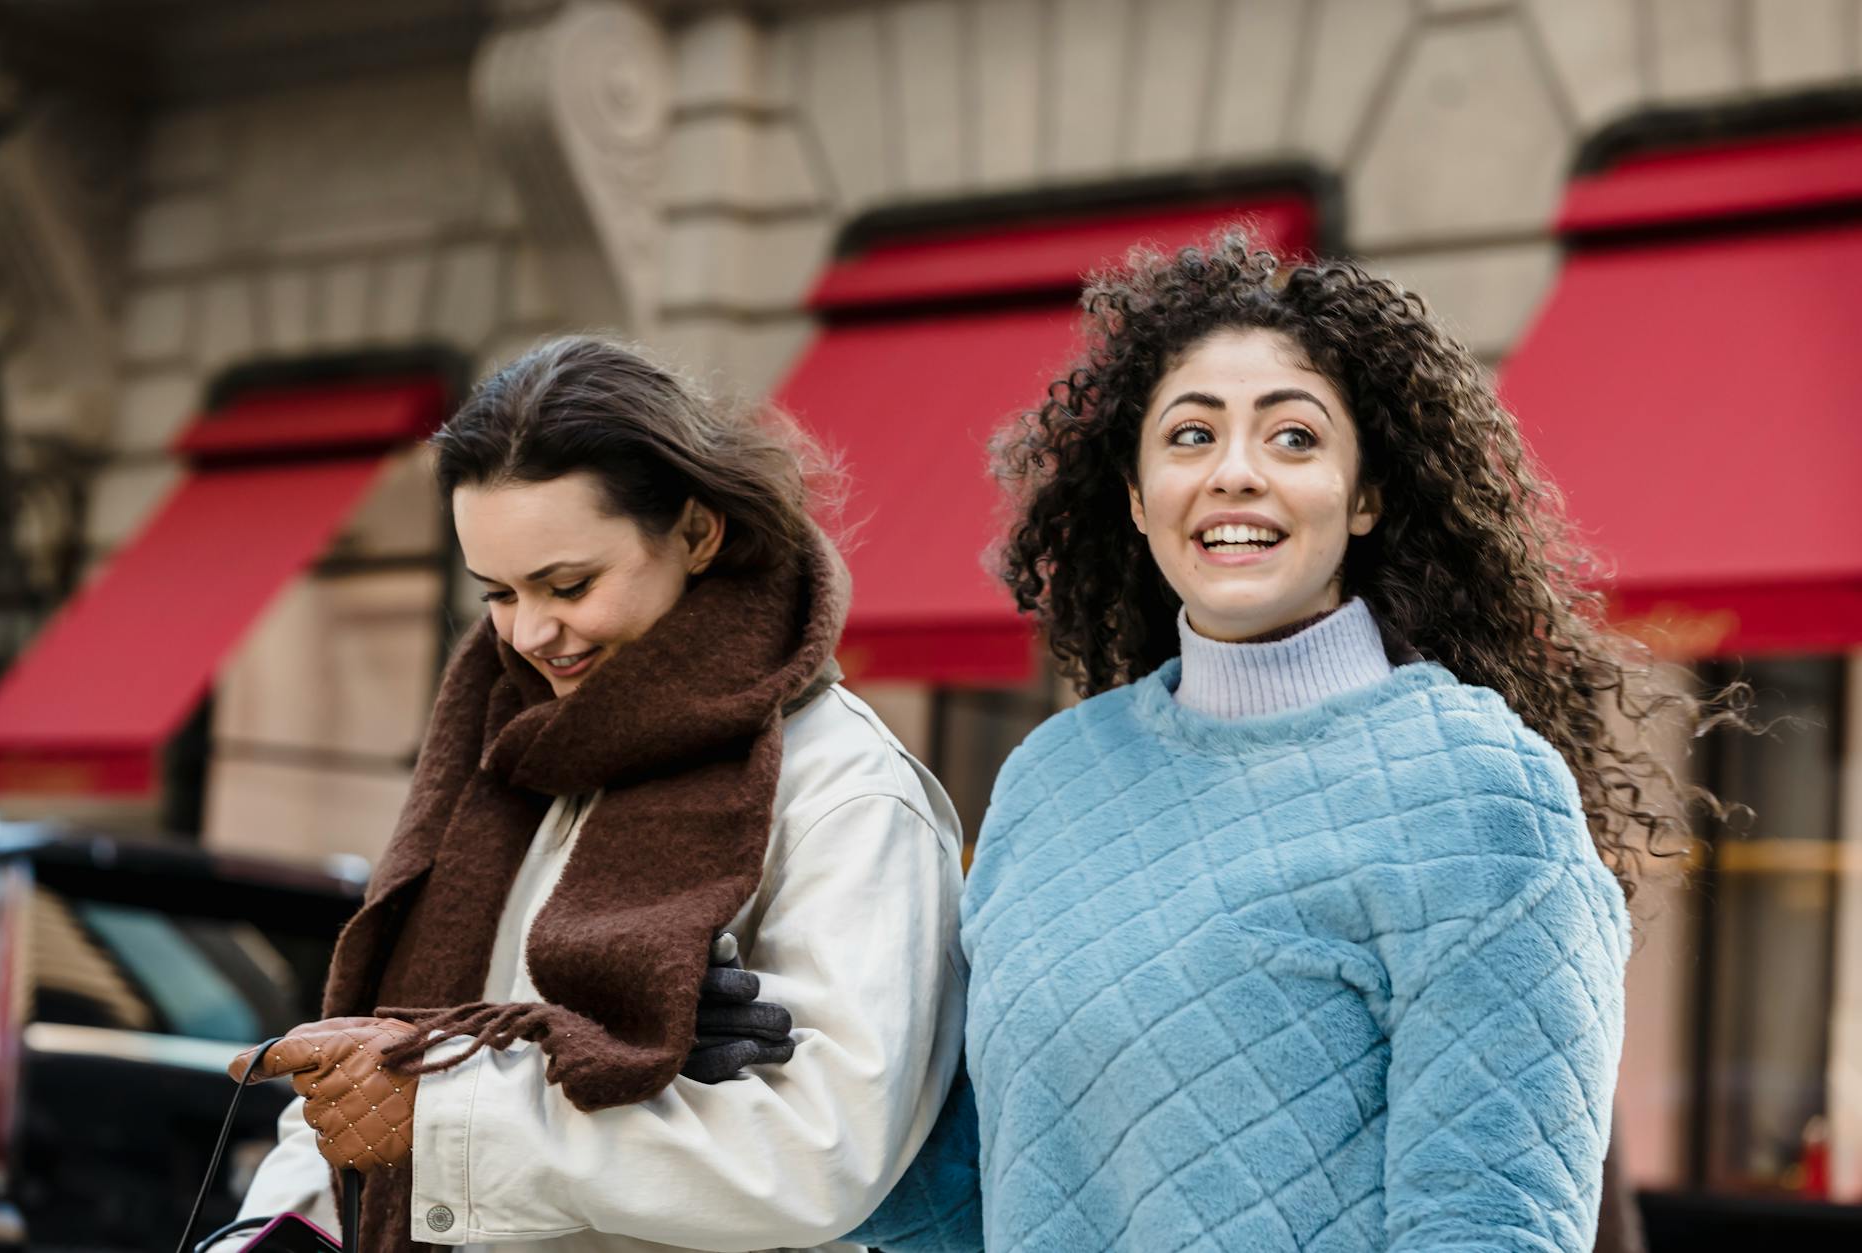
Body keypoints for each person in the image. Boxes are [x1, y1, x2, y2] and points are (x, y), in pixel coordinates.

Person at [853, 232, 1730, 1252]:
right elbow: (985, 1193)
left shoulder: (1481, 797)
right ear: (1136, 499)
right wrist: (773, 1069)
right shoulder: (1052, 778)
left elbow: (1490, 1230)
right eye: (1188, 435)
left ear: (1365, 496)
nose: (1234, 472)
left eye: (1293, 437)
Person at [224, 336, 967, 1253]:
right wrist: (268, 1234)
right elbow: (369, 1085)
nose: (532, 631)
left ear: (697, 532)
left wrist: (446, 1119)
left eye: (568, 583)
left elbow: (824, 1152)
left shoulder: (844, 790)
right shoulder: (499, 751)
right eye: (497, 592)